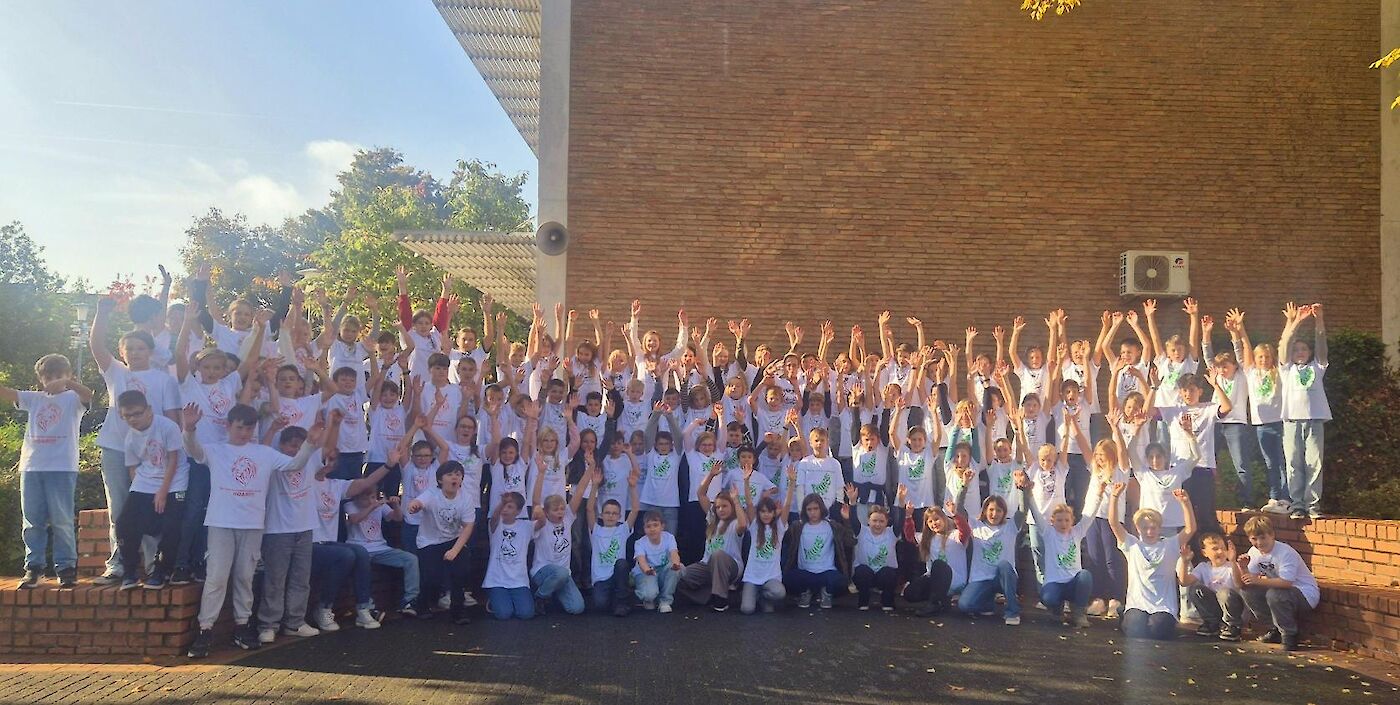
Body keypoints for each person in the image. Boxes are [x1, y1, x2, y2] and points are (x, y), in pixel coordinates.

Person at [183, 403, 318, 658]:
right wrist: (189, 429)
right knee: (217, 577)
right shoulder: (216, 450)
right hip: (222, 522)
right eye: (239, 428)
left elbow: (295, 465)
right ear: (228, 426)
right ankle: (205, 629)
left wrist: (310, 444)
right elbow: (194, 450)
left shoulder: (264, 453)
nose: (244, 433)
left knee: (245, 577)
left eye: (249, 428)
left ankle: (242, 626)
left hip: (253, 524)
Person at [90, 295, 181, 585]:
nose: (135, 352)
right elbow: (96, 345)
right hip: (116, 448)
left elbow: (171, 418)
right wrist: (102, 313)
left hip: (151, 453)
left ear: (150, 351)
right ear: (122, 352)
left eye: (141, 348)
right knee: (119, 508)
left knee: (152, 507)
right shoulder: (116, 372)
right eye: (129, 348)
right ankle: (118, 563)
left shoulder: (164, 379)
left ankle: (152, 564)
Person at [2, 354, 93, 589]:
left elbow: (88, 394)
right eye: (48, 376)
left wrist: (67, 383)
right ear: (41, 379)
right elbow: (7, 393)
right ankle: (34, 567)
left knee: (62, 519)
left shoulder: (73, 399)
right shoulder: (34, 399)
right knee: (32, 520)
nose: (53, 380)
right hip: (32, 466)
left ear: (69, 375)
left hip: (62, 467)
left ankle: (66, 568)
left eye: (59, 375)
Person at [113, 390, 185, 590]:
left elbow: (173, 460)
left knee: (172, 526)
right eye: (127, 415)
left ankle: (162, 570)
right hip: (145, 480)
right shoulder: (130, 437)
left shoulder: (168, 427)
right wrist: (138, 495)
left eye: (137, 413)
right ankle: (130, 572)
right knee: (124, 523)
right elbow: (133, 468)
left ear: (149, 410)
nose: (133, 419)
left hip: (174, 481)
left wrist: (162, 492)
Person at [1106, 483, 1196, 641]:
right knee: (1136, 629)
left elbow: (1190, 529)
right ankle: (1124, 613)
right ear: (1137, 528)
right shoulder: (1132, 545)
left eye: (1153, 527)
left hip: (1163, 606)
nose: (1149, 531)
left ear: (1159, 528)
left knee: (1157, 631)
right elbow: (1114, 523)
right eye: (1145, 528)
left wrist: (1185, 503)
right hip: (1138, 604)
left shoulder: (1170, 545)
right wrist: (1114, 497)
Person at [1224, 307, 1288, 514]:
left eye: (1267, 357)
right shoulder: (1251, 373)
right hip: (1261, 424)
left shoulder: (1279, 372)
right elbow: (1243, 348)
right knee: (1270, 462)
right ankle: (1274, 497)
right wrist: (1240, 329)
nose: (1263, 360)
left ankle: (1285, 498)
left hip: (1279, 422)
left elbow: (1284, 347)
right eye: (1260, 357)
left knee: (1283, 461)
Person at [952, 467, 1026, 625]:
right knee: (965, 605)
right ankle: (987, 603)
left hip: (1002, 577)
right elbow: (959, 510)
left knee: (1005, 565)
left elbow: (1022, 510)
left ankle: (1012, 612)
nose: (994, 514)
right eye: (991, 510)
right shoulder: (975, 525)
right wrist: (964, 485)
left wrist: (1020, 488)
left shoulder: (1011, 526)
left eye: (999, 510)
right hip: (981, 578)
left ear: (1004, 512)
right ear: (985, 511)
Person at [406, 461, 477, 625]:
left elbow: (468, 527)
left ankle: (458, 611)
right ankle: (422, 605)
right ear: (440, 480)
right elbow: (419, 502)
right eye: (450, 475)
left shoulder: (466, 498)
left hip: (453, 540)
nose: (454, 478)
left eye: (458, 475)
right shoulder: (432, 493)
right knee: (431, 577)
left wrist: (455, 551)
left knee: (461, 572)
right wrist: (414, 506)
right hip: (429, 541)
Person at [1235, 515, 1320, 651]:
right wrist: (1243, 568)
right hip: (1279, 592)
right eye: (1254, 539)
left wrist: (1257, 580)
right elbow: (1248, 582)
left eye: (1263, 538)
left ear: (1272, 535)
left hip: (1304, 594)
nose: (1259, 543)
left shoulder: (1285, 552)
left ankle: (1290, 635)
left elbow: (1286, 582)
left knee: (1275, 594)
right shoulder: (1254, 552)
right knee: (1248, 591)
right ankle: (1275, 628)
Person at [1277, 302, 1330, 519]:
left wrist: (1319, 319)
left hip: (1314, 420)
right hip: (1291, 421)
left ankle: (1313, 505)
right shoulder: (1286, 369)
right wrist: (1297, 321)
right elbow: (1284, 344)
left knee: (1314, 463)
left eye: (1304, 349)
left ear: (1309, 353)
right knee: (1293, 463)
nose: (1300, 352)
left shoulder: (1317, 367)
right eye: (1296, 350)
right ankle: (1297, 504)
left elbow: (1321, 345)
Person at [679, 462, 749, 612]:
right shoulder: (712, 520)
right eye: (718, 507)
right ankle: (707, 595)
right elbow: (701, 494)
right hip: (707, 566)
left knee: (717, 555)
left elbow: (743, 525)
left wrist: (736, 500)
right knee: (679, 575)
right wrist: (711, 475)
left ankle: (721, 600)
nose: (721, 509)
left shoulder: (735, 522)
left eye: (725, 506)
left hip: (731, 567)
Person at [345, 481, 421, 617]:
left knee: (410, 559)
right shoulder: (350, 505)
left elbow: (397, 518)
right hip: (359, 549)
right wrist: (372, 507)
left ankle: (410, 600)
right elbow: (355, 519)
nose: (370, 501)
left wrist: (396, 505)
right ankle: (368, 606)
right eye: (365, 498)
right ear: (357, 498)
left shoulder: (380, 506)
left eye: (373, 497)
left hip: (380, 548)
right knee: (363, 568)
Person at [527, 458, 590, 616]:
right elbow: (536, 501)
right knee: (561, 573)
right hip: (542, 571)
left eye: (562, 509)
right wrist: (541, 473)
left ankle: (551, 593)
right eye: (555, 510)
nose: (560, 512)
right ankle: (540, 596)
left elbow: (580, 491)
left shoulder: (567, 518)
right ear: (547, 512)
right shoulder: (542, 523)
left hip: (563, 574)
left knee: (577, 608)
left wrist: (591, 468)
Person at [782, 492, 855, 610]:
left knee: (841, 581)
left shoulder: (832, 526)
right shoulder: (797, 527)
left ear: (821, 508)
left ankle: (826, 593)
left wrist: (846, 520)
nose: (813, 512)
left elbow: (850, 542)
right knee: (788, 578)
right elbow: (783, 540)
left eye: (816, 508)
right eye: (809, 509)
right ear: (805, 511)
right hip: (805, 573)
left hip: (827, 572)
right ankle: (805, 592)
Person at [740, 463, 796, 614]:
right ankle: (754, 595)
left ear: (773, 513)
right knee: (747, 609)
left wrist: (791, 483)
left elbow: (787, 504)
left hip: (771, 577)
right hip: (752, 577)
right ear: (758, 513)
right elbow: (749, 503)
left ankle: (764, 598)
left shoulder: (779, 527)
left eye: (769, 511)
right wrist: (746, 481)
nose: (766, 514)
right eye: (763, 511)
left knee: (779, 593)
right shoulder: (754, 526)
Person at [845, 484, 906, 612]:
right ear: (868, 520)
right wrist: (852, 502)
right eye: (874, 521)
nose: (877, 524)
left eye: (881, 521)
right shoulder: (862, 531)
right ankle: (863, 601)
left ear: (886, 522)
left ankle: (887, 601)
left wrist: (901, 503)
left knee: (888, 573)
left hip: (884, 576)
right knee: (862, 571)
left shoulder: (891, 533)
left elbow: (900, 521)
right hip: (866, 575)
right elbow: (853, 520)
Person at [904, 499, 970, 617]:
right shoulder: (928, 539)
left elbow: (965, 531)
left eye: (936, 519)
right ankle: (943, 601)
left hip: (954, 580)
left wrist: (955, 514)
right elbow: (910, 536)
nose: (934, 523)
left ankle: (934, 603)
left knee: (938, 564)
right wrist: (908, 516)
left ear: (944, 519)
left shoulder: (955, 535)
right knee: (909, 593)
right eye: (930, 521)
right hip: (934, 580)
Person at [588, 468, 640, 616]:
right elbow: (589, 509)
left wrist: (632, 487)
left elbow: (635, 509)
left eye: (614, 513)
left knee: (622, 563)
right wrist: (594, 485)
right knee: (600, 605)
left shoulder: (622, 530)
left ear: (619, 516)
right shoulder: (596, 530)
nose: (611, 516)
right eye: (607, 513)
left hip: (617, 575)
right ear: (602, 514)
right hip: (601, 578)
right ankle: (614, 599)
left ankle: (622, 602)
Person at [1180, 531, 1244, 641]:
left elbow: (1239, 584)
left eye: (1223, 548)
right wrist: (1185, 562)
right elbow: (1184, 582)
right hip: (1215, 606)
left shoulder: (1231, 567)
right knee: (1196, 590)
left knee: (1224, 593)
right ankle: (1212, 623)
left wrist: (1233, 561)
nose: (1220, 552)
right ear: (1204, 553)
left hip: (1232, 606)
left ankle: (1232, 625)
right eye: (1215, 549)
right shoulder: (1203, 567)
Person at [482, 491, 535, 620]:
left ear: (518, 511)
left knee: (526, 613)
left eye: (510, 507)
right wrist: (502, 503)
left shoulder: (526, 526)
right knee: (504, 614)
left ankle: (508, 601)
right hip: (497, 580)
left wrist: (538, 508)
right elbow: (495, 518)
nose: (505, 509)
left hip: (519, 581)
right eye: (504, 506)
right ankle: (496, 600)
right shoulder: (496, 525)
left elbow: (542, 522)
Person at [633, 510, 683, 613]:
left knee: (677, 569)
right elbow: (641, 561)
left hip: (662, 571)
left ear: (662, 526)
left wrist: (676, 564)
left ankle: (665, 601)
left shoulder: (669, 538)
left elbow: (674, 553)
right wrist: (648, 571)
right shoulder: (639, 543)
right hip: (646, 572)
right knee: (649, 594)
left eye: (655, 525)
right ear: (644, 529)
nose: (652, 529)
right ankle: (648, 599)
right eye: (648, 526)